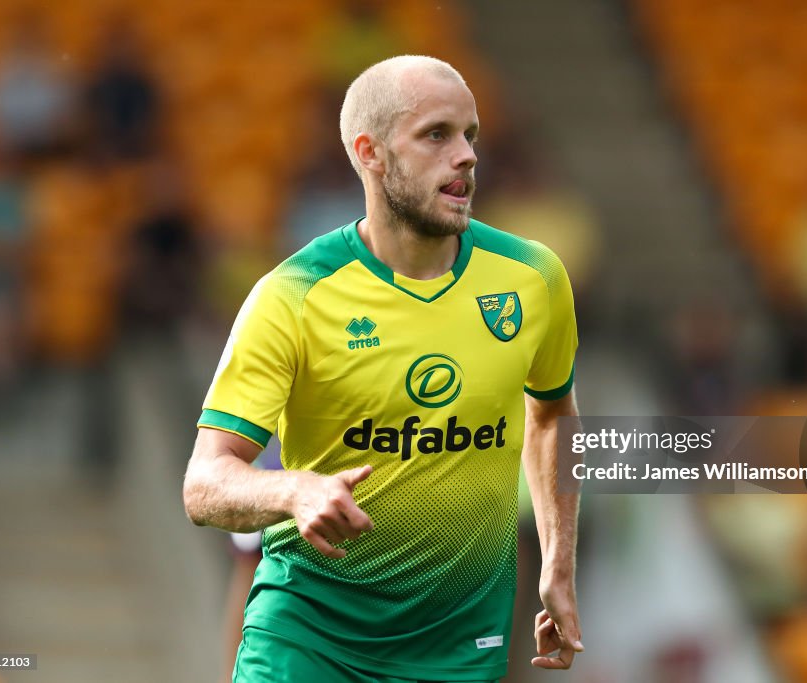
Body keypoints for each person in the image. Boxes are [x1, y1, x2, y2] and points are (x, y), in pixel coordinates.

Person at [182, 55, 584, 682]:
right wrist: (294, 489)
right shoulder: (293, 294)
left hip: (455, 650)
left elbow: (553, 413)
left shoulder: (533, 279)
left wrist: (558, 560)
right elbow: (204, 485)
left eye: (470, 135)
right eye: (436, 134)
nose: (466, 155)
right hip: (309, 640)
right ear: (369, 152)